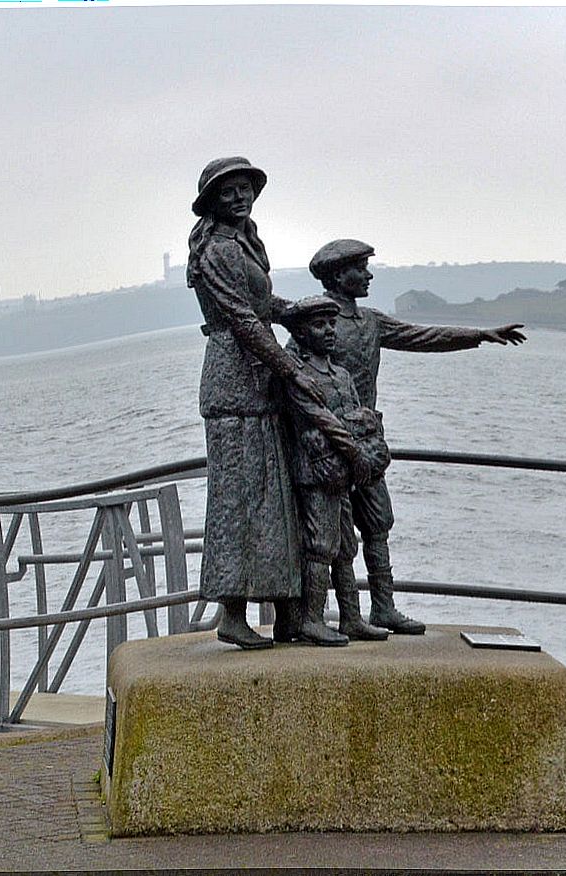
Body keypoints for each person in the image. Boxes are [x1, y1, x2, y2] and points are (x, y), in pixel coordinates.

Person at [187, 157, 364, 649]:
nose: (240, 198)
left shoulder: (246, 242)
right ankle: (232, 612)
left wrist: (304, 314)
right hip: (233, 382)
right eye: (229, 192)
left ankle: (292, 613)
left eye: (245, 189)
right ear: (212, 202)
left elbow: (265, 309)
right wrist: (292, 369)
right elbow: (244, 321)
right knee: (238, 501)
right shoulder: (217, 251)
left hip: (259, 382)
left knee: (274, 502)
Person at [311, 238, 527, 634]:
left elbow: (422, 336)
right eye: (361, 268)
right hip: (329, 444)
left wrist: (478, 335)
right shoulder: (318, 323)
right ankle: (350, 616)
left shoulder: (372, 322)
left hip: (368, 441)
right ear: (339, 275)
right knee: (338, 535)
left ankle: (384, 608)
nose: (369, 274)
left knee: (378, 523)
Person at [277, 296, 391, 644]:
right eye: (319, 325)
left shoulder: (341, 375)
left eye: (331, 324)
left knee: (345, 545)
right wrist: (355, 451)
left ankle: (351, 617)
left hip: (343, 475)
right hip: (317, 473)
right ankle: (311, 618)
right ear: (301, 332)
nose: (329, 331)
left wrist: (365, 451)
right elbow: (318, 418)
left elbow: (358, 417)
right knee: (321, 545)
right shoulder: (299, 376)